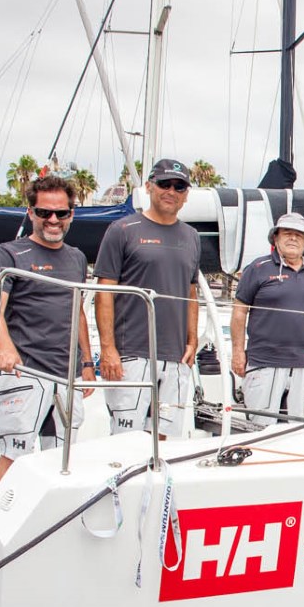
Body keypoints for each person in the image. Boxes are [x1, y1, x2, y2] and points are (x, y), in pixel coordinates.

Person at [0, 174, 94, 489]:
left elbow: (78, 311)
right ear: (31, 213)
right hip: (24, 371)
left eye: (62, 212)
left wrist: (87, 364)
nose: (53, 220)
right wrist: (5, 349)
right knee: (14, 453)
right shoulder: (8, 254)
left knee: (60, 456)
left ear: (72, 214)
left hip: (65, 375)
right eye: (44, 212)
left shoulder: (77, 258)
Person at [94, 158, 203, 438]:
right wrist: (108, 349)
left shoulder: (191, 237)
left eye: (179, 186)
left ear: (186, 194)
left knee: (164, 438)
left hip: (176, 357)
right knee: (126, 440)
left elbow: (191, 292)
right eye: (164, 184)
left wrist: (192, 340)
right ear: (149, 187)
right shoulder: (122, 230)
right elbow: (104, 292)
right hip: (132, 353)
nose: (171, 191)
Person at [230, 213, 304, 427]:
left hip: (301, 364)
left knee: (294, 429)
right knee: (260, 428)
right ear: (276, 238)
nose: (293, 238)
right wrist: (238, 352)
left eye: (299, 235)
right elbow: (239, 311)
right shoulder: (257, 268)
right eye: (287, 233)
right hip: (264, 362)